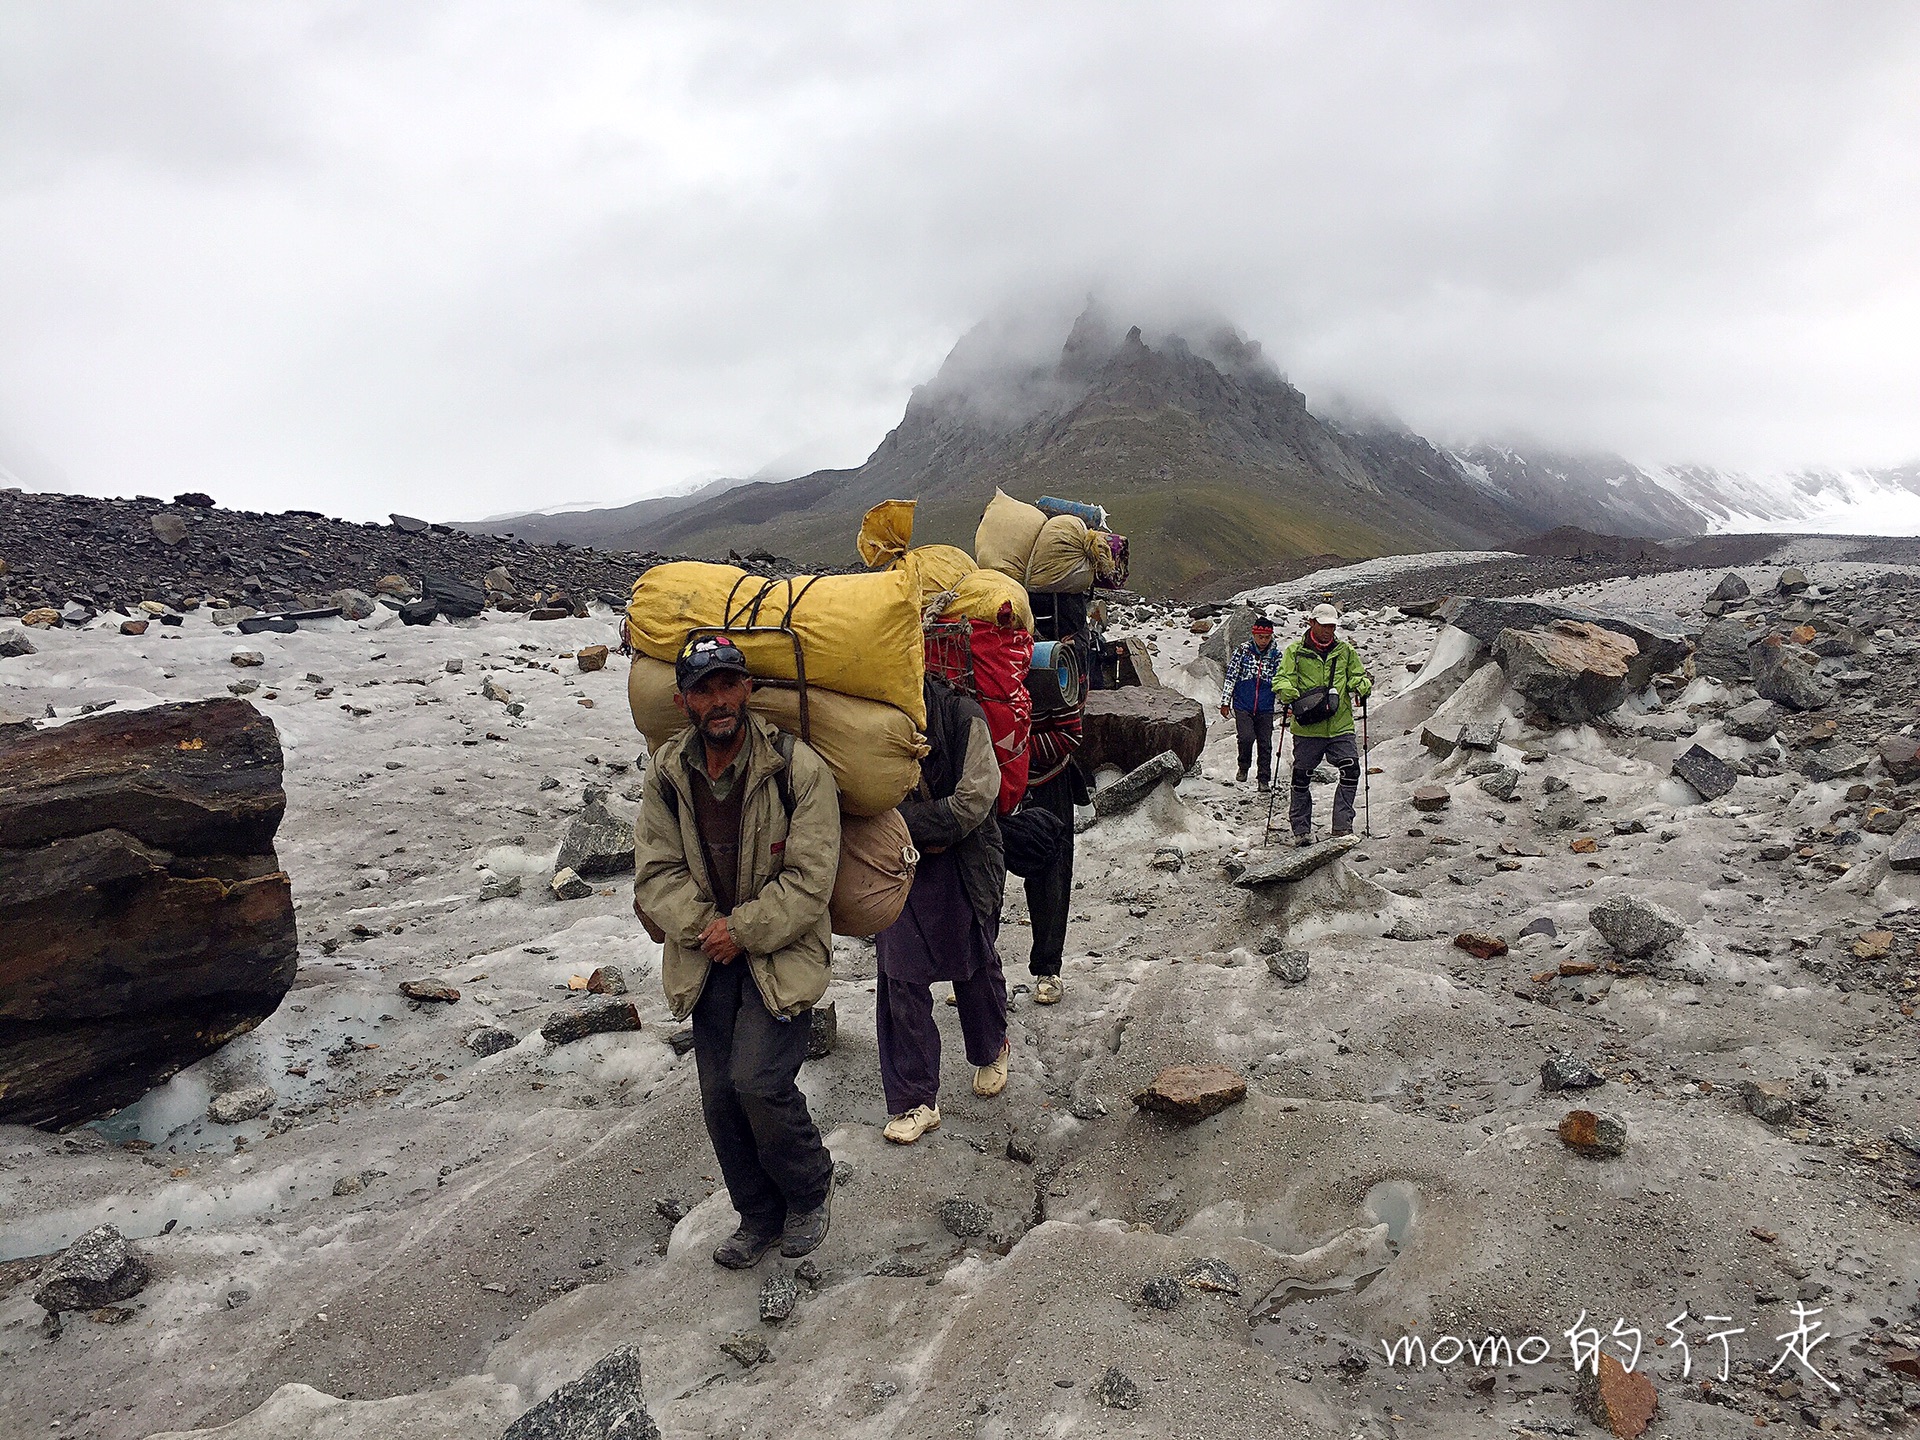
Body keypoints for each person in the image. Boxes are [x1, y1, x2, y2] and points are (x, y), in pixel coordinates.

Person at [633, 634, 839, 1269]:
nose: (718, 700)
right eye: (703, 689)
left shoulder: (795, 768)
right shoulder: (668, 773)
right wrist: (705, 929)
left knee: (759, 1081)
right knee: (719, 1095)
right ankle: (756, 1214)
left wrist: (741, 930)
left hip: (781, 951)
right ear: (683, 700)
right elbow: (655, 874)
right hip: (705, 953)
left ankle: (809, 1189)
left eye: (728, 685)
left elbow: (811, 880)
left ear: (748, 689)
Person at [872, 675, 1010, 1144]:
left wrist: (900, 822)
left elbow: (974, 800)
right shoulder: (863, 719)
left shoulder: (961, 714)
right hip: (898, 868)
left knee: (972, 965)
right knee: (900, 978)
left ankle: (992, 1047)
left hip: (961, 861)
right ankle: (916, 1099)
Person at [1023, 593, 1088, 1007]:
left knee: (1051, 875)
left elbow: (1070, 734)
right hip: (994, 783)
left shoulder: (1054, 664)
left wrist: (1015, 750)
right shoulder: (982, 667)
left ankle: (1049, 967)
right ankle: (979, 964)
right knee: (984, 873)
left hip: (1049, 783)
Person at [1275, 603, 1373, 842]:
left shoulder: (1345, 651)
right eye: (1324, 625)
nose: (1329, 630)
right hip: (1308, 727)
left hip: (1340, 724)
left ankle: (1342, 827)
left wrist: (1362, 686)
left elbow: (1357, 676)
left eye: (1332, 626)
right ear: (1312, 623)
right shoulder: (1295, 652)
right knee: (1301, 776)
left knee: (1351, 769)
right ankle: (1301, 830)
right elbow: (1281, 679)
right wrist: (1286, 690)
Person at [1220, 614, 1284, 790]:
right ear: (1253, 635)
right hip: (1243, 703)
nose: (1263, 641)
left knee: (1266, 743)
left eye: (1267, 637)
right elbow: (1231, 676)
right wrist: (1225, 701)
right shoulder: (1242, 651)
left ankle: (1263, 779)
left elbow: (1281, 681)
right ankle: (1243, 765)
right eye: (1260, 637)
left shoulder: (1276, 655)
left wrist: (1288, 704)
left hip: (1265, 705)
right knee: (1246, 737)